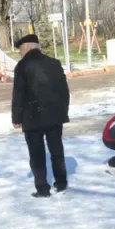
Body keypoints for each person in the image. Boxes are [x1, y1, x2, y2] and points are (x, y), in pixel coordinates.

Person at [11, 33, 71, 198]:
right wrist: (63, 111)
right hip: (54, 116)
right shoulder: (54, 63)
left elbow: (19, 93)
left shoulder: (22, 66)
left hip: (32, 117)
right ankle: (61, 183)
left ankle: (42, 188)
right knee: (56, 149)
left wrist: (16, 118)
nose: (20, 53)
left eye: (21, 49)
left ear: (28, 47)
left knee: (36, 154)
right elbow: (64, 91)